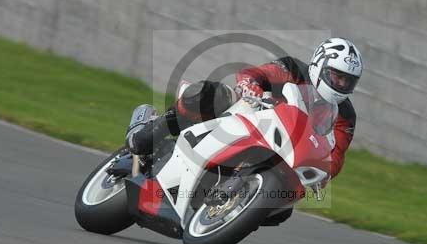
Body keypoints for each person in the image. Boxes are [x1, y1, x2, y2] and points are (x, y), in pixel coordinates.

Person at [126, 38, 363, 182]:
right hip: (250, 112)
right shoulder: (294, 69)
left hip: (283, 148)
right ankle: (148, 133)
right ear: (320, 65)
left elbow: (336, 159)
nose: (341, 84)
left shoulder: (345, 116)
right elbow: (255, 74)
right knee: (207, 95)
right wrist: (250, 87)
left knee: (282, 208)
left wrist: (322, 169)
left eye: (347, 81)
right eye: (337, 76)